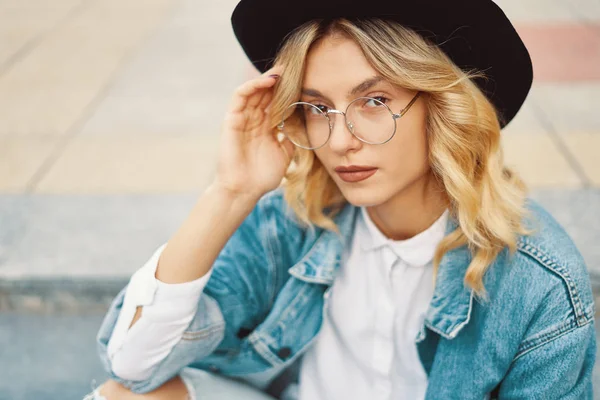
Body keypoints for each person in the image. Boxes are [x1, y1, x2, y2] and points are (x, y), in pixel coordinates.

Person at [83, 0, 597, 399]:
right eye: (316, 107)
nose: (339, 139)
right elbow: (133, 364)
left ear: (441, 107)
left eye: (374, 101)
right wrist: (230, 193)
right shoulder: (294, 223)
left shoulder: (538, 282)